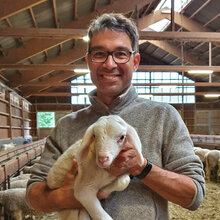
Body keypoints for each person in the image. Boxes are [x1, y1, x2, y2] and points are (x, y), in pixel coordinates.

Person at [26, 13, 205, 219]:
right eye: (99, 54)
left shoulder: (164, 117)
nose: (109, 64)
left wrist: (142, 167)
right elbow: (33, 193)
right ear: (88, 61)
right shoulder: (66, 125)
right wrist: (67, 197)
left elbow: (194, 195)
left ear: (135, 61)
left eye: (121, 54)